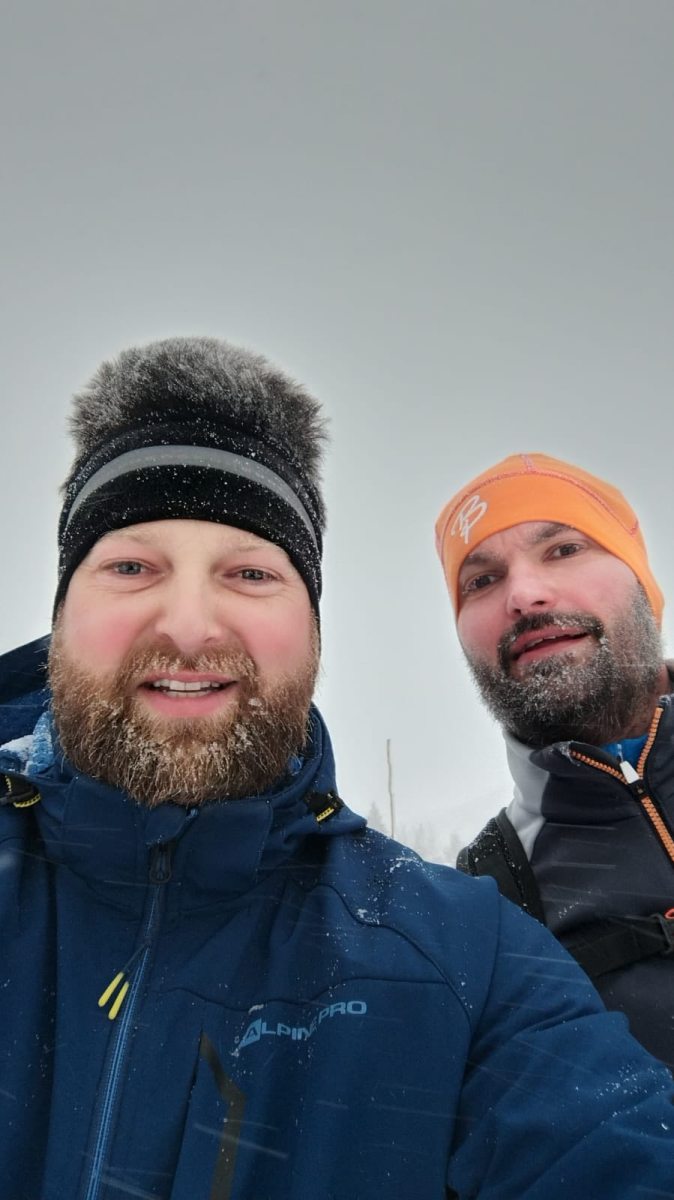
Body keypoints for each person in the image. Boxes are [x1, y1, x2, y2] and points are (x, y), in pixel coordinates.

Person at [2, 358, 674, 1200]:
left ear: (315, 635)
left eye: (251, 573)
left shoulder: (463, 954)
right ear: (60, 615)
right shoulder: (501, 890)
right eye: (132, 567)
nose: (188, 624)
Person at [435, 452, 674, 1071]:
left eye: (564, 549)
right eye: (481, 581)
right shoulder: (487, 901)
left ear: (642, 582)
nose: (523, 595)